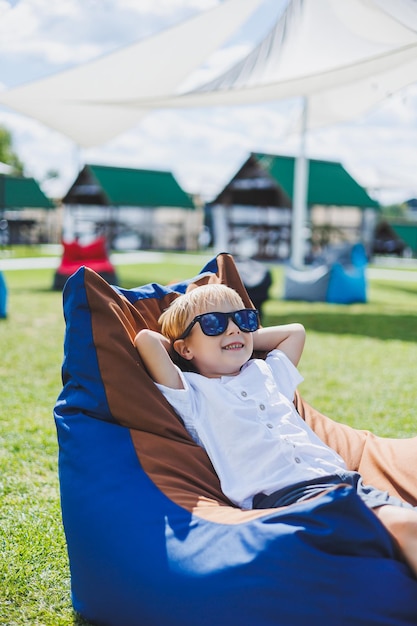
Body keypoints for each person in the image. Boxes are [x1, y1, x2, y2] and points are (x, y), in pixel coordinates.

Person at [135, 283, 417, 578]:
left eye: (243, 319)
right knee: (407, 527)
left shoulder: (267, 373)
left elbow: (295, 331)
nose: (233, 330)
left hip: (346, 483)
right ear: (184, 348)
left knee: (408, 522)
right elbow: (147, 340)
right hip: (289, 498)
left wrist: (232, 335)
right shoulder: (193, 394)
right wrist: (181, 344)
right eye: (214, 323)